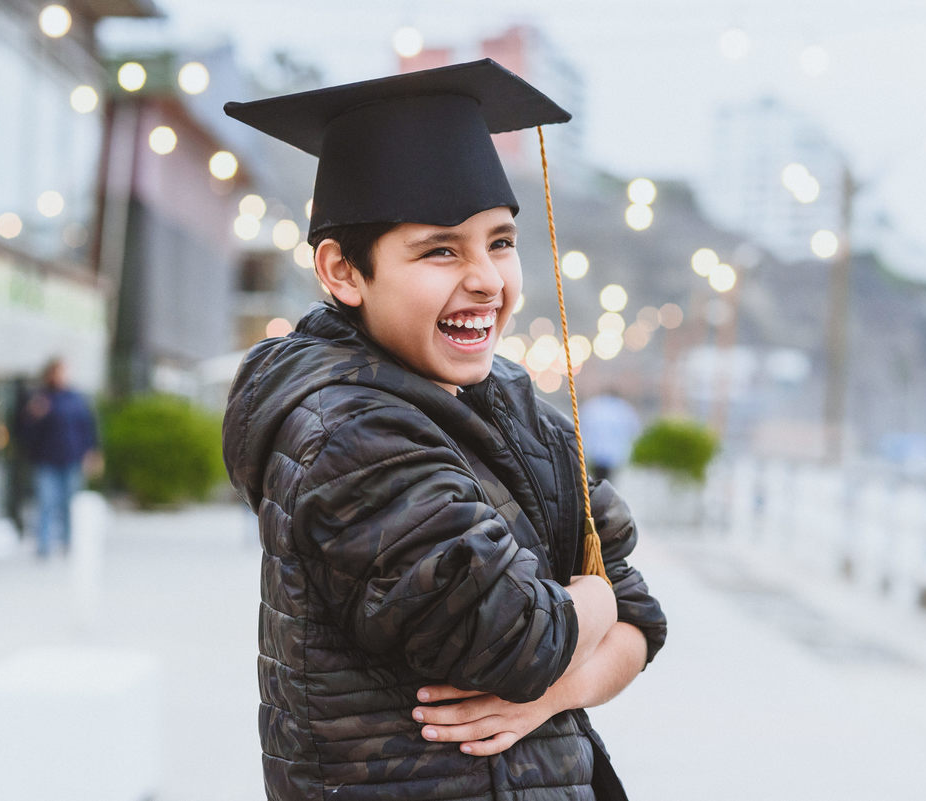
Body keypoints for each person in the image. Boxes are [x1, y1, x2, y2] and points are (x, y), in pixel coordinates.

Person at [221, 60, 666, 801]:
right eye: (440, 250)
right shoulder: (344, 430)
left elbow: (641, 619)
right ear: (343, 271)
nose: (487, 279)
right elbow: (524, 638)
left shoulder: (514, 406)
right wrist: (589, 607)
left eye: (499, 241)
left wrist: (547, 698)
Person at [17, 357, 100, 557]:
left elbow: (88, 428)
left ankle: (69, 544)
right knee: (46, 503)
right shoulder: (40, 398)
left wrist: (93, 452)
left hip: (71, 459)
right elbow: (23, 432)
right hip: (46, 460)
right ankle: (44, 546)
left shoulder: (76, 398)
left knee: (69, 505)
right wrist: (32, 416)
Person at [579, 393, 642, 483]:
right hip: (614, 454)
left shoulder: (593, 406)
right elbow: (634, 430)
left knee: (597, 481)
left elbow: (583, 427)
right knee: (608, 483)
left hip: (596, 452)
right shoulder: (624, 408)